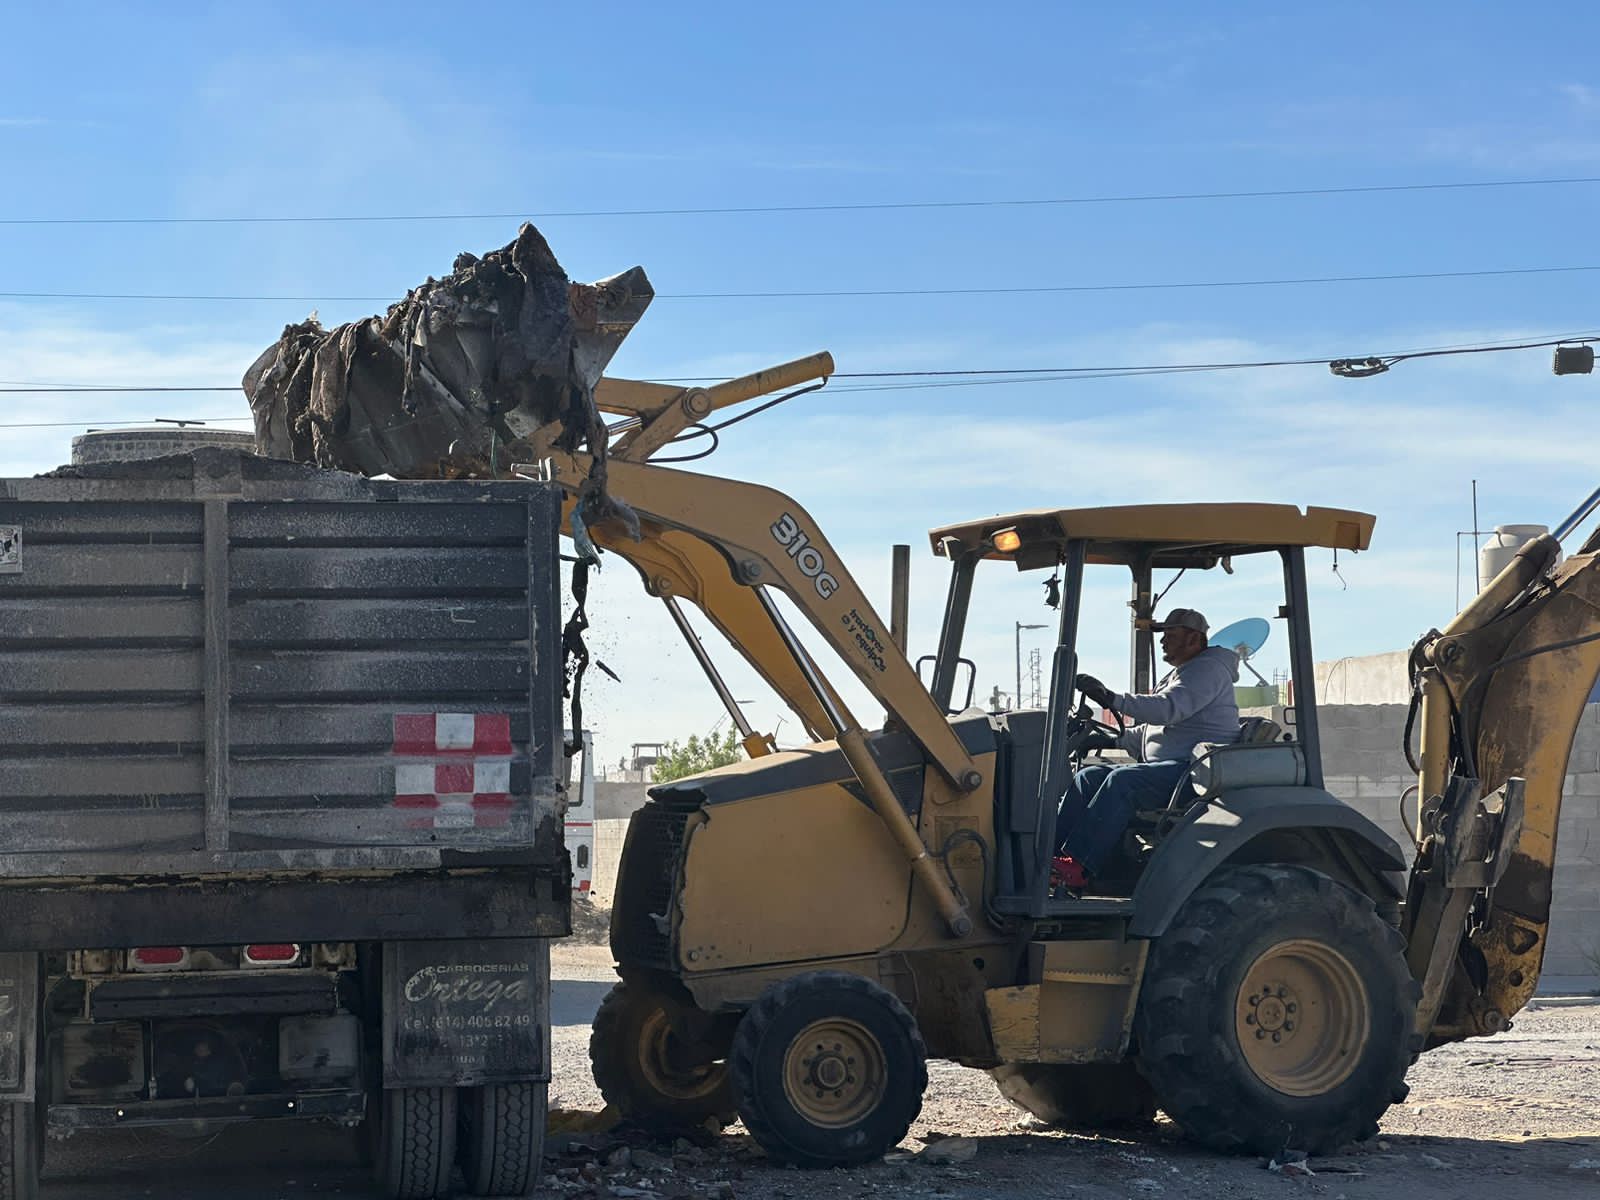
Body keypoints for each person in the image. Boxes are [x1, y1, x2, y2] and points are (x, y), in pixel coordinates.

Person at [1052, 608, 1240, 889]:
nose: (1163, 641)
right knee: (1088, 777)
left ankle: (1078, 866)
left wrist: (1112, 699)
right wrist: (1113, 741)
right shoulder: (1184, 672)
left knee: (1124, 781)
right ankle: (1052, 857)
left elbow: (1166, 710)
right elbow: (1156, 731)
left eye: (1170, 635)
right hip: (1171, 767)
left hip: (1194, 771)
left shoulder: (1207, 670)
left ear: (1193, 639)